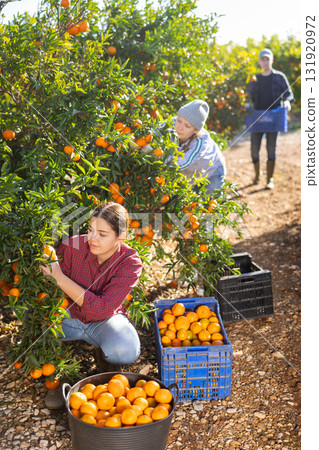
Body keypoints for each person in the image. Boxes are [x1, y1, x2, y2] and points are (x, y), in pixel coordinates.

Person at [40, 202, 143, 408]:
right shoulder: (71, 248)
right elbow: (50, 296)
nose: (92, 239)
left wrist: (59, 277)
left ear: (120, 237)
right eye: (90, 230)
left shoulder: (130, 262)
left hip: (103, 321)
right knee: (36, 321)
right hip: (68, 318)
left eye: (102, 234)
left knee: (126, 348)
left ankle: (105, 359)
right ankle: (60, 372)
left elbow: (103, 309)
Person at [247, 48, 294, 189]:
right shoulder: (254, 78)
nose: (265, 61)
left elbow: (289, 94)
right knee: (254, 150)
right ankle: (257, 175)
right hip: (257, 118)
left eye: (268, 59)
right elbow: (247, 96)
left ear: (272, 60)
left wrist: (287, 102)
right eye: (263, 59)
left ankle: (269, 179)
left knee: (271, 149)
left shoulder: (279, 77)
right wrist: (245, 104)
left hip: (274, 117)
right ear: (259, 61)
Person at [170, 99, 226, 193]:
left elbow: (180, 165)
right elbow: (153, 133)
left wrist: (156, 155)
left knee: (207, 205)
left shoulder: (200, 144)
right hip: (190, 174)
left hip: (212, 173)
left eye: (187, 126)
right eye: (179, 120)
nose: (180, 128)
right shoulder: (171, 123)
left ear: (196, 130)